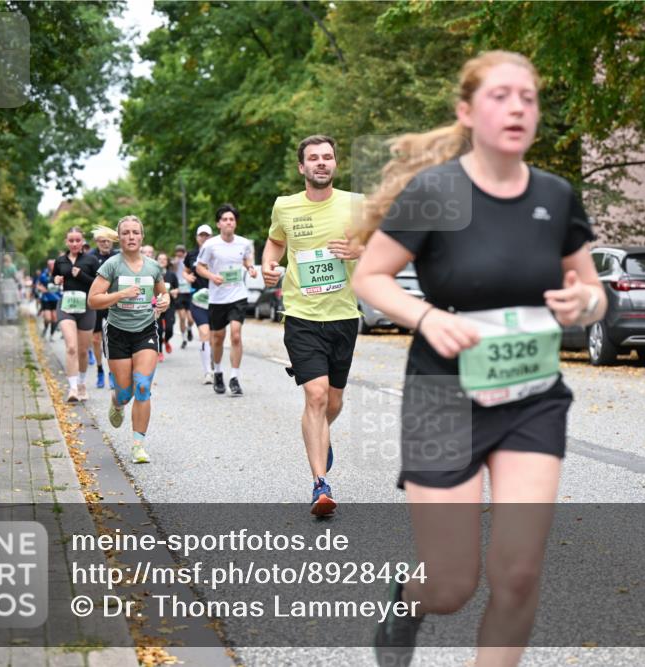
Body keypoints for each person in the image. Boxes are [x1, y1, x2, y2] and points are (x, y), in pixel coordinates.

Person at [352, 51, 606, 666]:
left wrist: (584, 304)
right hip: (442, 398)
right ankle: (407, 603)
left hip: (532, 397)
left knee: (517, 573)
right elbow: (371, 277)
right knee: (451, 583)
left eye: (529, 96)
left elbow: (594, 293)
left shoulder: (555, 194)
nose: (518, 106)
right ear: (467, 111)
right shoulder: (439, 192)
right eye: (500, 95)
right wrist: (427, 316)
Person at [262, 135, 364, 516]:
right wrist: (268, 265)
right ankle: (321, 485)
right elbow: (274, 243)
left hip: (343, 316)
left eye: (328, 157)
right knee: (316, 396)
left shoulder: (356, 204)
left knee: (333, 401)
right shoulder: (285, 207)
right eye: (313, 158)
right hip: (302, 316)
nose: (321, 163)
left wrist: (360, 250)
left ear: (335, 164)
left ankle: (320, 434)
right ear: (302, 167)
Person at [87, 215, 170, 464]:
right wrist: (122, 293)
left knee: (143, 386)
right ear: (119, 237)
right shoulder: (112, 266)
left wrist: (165, 302)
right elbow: (93, 299)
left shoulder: (153, 267)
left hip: (145, 331)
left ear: (142, 236)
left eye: (135, 232)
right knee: (125, 393)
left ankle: (138, 445)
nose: (131, 237)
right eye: (126, 233)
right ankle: (117, 402)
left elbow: (162, 294)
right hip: (118, 333)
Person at [195, 204, 257, 395]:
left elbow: (247, 259)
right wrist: (212, 277)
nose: (229, 222)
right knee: (218, 338)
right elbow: (200, 267)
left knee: (236, 334)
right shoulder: (210, 245)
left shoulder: (244, 243)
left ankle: (235, 378)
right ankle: (219, 372)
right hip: (217, 298)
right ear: (218, 223)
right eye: (225, 219)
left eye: (232, 219)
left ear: (235, 223)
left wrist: (251, 268)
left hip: (238, 295)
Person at [53, 227, 102, 402]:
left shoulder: (91, 260)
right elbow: (55, 278)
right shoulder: (61, 261)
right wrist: (56, 280)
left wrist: (81, 275)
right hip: (66, 306)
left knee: (82, 351)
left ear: (82, 242)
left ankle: (81, 384)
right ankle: (72, 388)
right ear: (67, 242)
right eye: (71, 240)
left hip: (86, 308)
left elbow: (99, 284)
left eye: (77, 240)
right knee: (71, 347)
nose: (74, 243)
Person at [183, 225, 215, 383]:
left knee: (215, 337)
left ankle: (214, 362)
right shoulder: (192, 254)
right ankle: (208, 372)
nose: (204, 238)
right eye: (201, 235)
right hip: (198, 298)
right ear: (197, 237)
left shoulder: (217, 251)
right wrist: (187, 277)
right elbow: (185, 271)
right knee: (204, 333)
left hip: (217, 299)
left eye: (207, 235)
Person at [89, 228, 120, 388]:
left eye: (108, 241)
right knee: (95, 339)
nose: (105, 244)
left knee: (111, 339)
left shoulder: (117, 256)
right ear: (97, 242)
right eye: (102, 241)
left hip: (112, 301)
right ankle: (100, 369)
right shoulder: (90, 257)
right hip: (96, 303)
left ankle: (112, 372)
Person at [155, 251, 180, 362]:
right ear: (156, 261)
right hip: (157, 305)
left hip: (170, 305)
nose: (162, 261)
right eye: (160, 259)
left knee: (169, 328)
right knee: (159, 329)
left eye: (164, 259)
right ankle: (160, 351)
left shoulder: (172, 275)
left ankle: (167, 340)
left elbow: (177, 289)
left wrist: (175, 292)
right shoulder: (153, 274)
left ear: (167, 262)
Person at [172, 245, 195, 348]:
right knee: (182, 317)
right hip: (179, 292)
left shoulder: (189, 261)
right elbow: (173, 270)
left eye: (182, 252)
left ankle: (189, 329)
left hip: (189, 292)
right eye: (178, 252)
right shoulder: (175, 262)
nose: (180, 254)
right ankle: (184, 339)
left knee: (190, 319)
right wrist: (177, 261)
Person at [37, 259, 60, 340]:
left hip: (56, 299)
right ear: (48, 265)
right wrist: (41, 288)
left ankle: (51, 335)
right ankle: (46, 328)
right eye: (50, 265)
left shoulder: (59, 274)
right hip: (46, 299)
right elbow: (38, 285)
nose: (51, 266)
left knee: (55, 318)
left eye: (53, 264)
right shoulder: (44, 275)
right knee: (48, 318)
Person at [0, 255, 20, 323]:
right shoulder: (12, 266)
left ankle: (6, 316)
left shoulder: (2, 267)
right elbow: (15, 276)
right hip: (11, 284)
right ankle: (11, 316)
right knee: (12, 301)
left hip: (4, 284)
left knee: (5, 302)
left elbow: (0, 276)